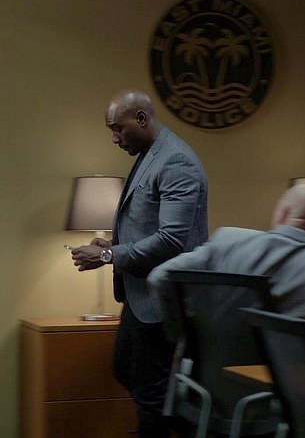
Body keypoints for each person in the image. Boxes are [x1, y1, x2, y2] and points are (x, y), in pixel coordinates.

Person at [70, 89, 208, 437]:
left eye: (118, 128)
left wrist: (109, 256)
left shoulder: (176, 161)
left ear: (142, 119)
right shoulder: (152, 153)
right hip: (141, 297)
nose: (115, 138)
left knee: (151, 391)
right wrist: (114, 246)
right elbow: (148, 226)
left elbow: (172, 240)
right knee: (127, 370)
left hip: (165, 302)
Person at [148, 183, 305, 361]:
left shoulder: (225, 241)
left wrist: (184, 341)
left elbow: (160, 278)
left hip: (208, 398)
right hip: (288, 405)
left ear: (282, 213)